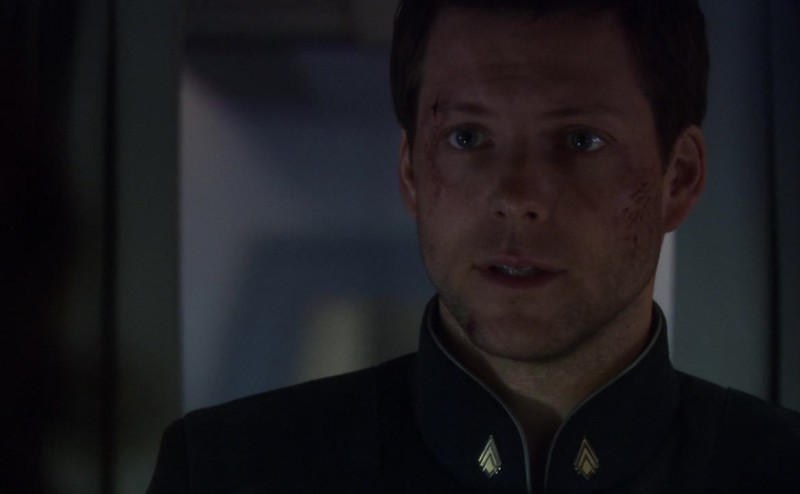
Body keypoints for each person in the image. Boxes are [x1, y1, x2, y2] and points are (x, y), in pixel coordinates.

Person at [148, 0, 800, 492]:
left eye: (580, 140)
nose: (516, 196)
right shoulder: (229, 472)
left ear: (678, 179)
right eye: (467, 137)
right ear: (412, 172)